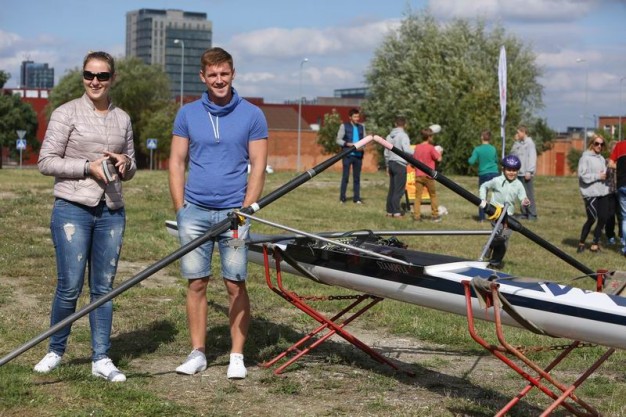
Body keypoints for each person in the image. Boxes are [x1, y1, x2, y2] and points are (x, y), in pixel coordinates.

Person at [35, 51, 136, 382]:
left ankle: (101, 357)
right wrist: (86, 167)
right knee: (70, 286)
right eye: (89, 75)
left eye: (102, 76)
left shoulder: (123, 118)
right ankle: (55, 349)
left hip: (111, 212)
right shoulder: (66, 113)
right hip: (72, 208)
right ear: (83, 76)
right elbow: (46, 161)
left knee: (104, 288)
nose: (95, 81)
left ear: (112, 79)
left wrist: (125, 163)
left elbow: (132, 166)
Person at [169, 47, 268, 379]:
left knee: (235, 283)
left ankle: (236, 355)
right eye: (212, 74)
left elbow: (258, 167)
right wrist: (181, 209)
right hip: (195, 215)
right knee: (196, 282)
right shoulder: (187, 114)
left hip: (235, 219)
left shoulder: (253, 115)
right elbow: (176, 162)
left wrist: (246, 210)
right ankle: (197, 352)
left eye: (224, 73)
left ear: (233, 74)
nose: (219, 80)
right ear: (203, 77)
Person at [479, 155, 531, 269]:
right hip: (496, 213)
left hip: (509, 216)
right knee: (498, 235)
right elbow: (484, 186)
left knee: (504, 240)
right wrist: (483, 199)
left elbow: (523, 197)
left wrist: (525, 201)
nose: (511, 173)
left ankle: (495, 262)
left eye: (514, 170)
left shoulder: (518, 184)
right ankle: (489, 247)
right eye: (509, 170)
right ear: (503, 169)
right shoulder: (497, 181)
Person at [576, 136, 610, 253]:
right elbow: (582, 176)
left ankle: (595, 244)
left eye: (602, 144)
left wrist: (606, 175)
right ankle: (581, 243)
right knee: (592, 218)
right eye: (597, 143)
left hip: (603, 192)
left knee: (603, 218)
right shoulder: (585, 158)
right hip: (590, 193)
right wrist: (598, 176)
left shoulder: (602, 158)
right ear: (592, 144)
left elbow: (603, 174)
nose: (599, 146)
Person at [468, 130, 500, 222]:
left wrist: (470, 158)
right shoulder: (493, 148)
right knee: (496, 195)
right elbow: (496, 160)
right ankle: (497, 216)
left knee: (483, 195)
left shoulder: (477, 149)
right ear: (490, 138)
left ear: (482, 137)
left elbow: (471, 161)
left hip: (484, 174)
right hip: (494, 172)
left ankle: (482, 218)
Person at [384, 116, 412, 218]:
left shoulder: (389, 136)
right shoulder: (403, 136)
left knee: (392, 189)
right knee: (399, 189)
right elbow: (407, 150)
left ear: (395, 124)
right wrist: (416, 151)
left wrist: (387, 165)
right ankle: (396, 212)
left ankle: (389, 211)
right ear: (405, 125)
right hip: (400, 164)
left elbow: (386, 152)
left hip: (391, 162)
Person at [412, 127, 442, 222]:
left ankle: (416, 216)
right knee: (432, 195)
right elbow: (439, 159)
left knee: (418, 196)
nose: (432, 138)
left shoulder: (417, 147)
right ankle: (435, 215)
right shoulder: (431, 147)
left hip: (418, 175)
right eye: (432, 136)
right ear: (429, 137)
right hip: (429, 175)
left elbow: (413, 162)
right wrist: (440, 152)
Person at [336, 108, 366, 204]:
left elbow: (365, 140)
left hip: (358, 156)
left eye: (358, 116)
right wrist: (348, 144)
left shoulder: (362, 127)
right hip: (347, 155)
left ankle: (357, 198)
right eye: (355, 117)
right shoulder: (344, 126)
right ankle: (342, 198)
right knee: (345, 177)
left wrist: (362, 147)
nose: (357, 118)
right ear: (350, 117)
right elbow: (338, 140)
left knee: (357, 178)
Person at [510, 125, 538, 220]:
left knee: (529, 194)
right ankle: (524, 212)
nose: (517, 134)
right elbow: (513, 153)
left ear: (523, 132)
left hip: (526, 173)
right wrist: (516, 142)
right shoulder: (519, 143)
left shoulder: (529, 143)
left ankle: (532, 214)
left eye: (518, 132)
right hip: (520, 172)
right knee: (521, 194)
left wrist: (529, 171)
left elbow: (532, 157)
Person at [608, 137, 626, 256]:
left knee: (624, 218)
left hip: (621, 185)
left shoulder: (619, 145)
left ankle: (625, 247)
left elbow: (610, 163)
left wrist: (620, 167)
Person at [605, 140, 623, 245]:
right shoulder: (606, 162)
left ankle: (622, 236)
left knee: (621, 215)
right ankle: (610, 236)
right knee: (610, 215)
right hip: (610, 192)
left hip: (621, 191)